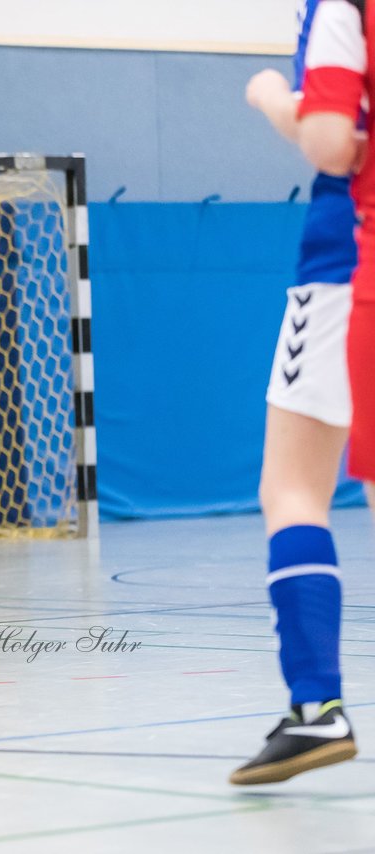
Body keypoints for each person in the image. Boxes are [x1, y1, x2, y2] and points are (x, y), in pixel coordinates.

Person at [229, 0, 361, 784]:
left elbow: (333, 142)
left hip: (350, 255)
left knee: (293, 488)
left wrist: (272, 94)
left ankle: (316, 708)